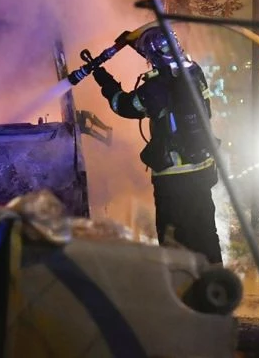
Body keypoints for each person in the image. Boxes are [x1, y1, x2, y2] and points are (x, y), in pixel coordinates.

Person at [90, 26, 222, 264]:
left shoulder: (154, 87)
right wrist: (135, 44)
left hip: (172, 179)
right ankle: (215, 281)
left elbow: (124, 106)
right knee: (205, 234)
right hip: (202, 170)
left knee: (173, 238)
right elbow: (166, 66)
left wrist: (104, 80)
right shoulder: (195, 73)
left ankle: (179, 283)